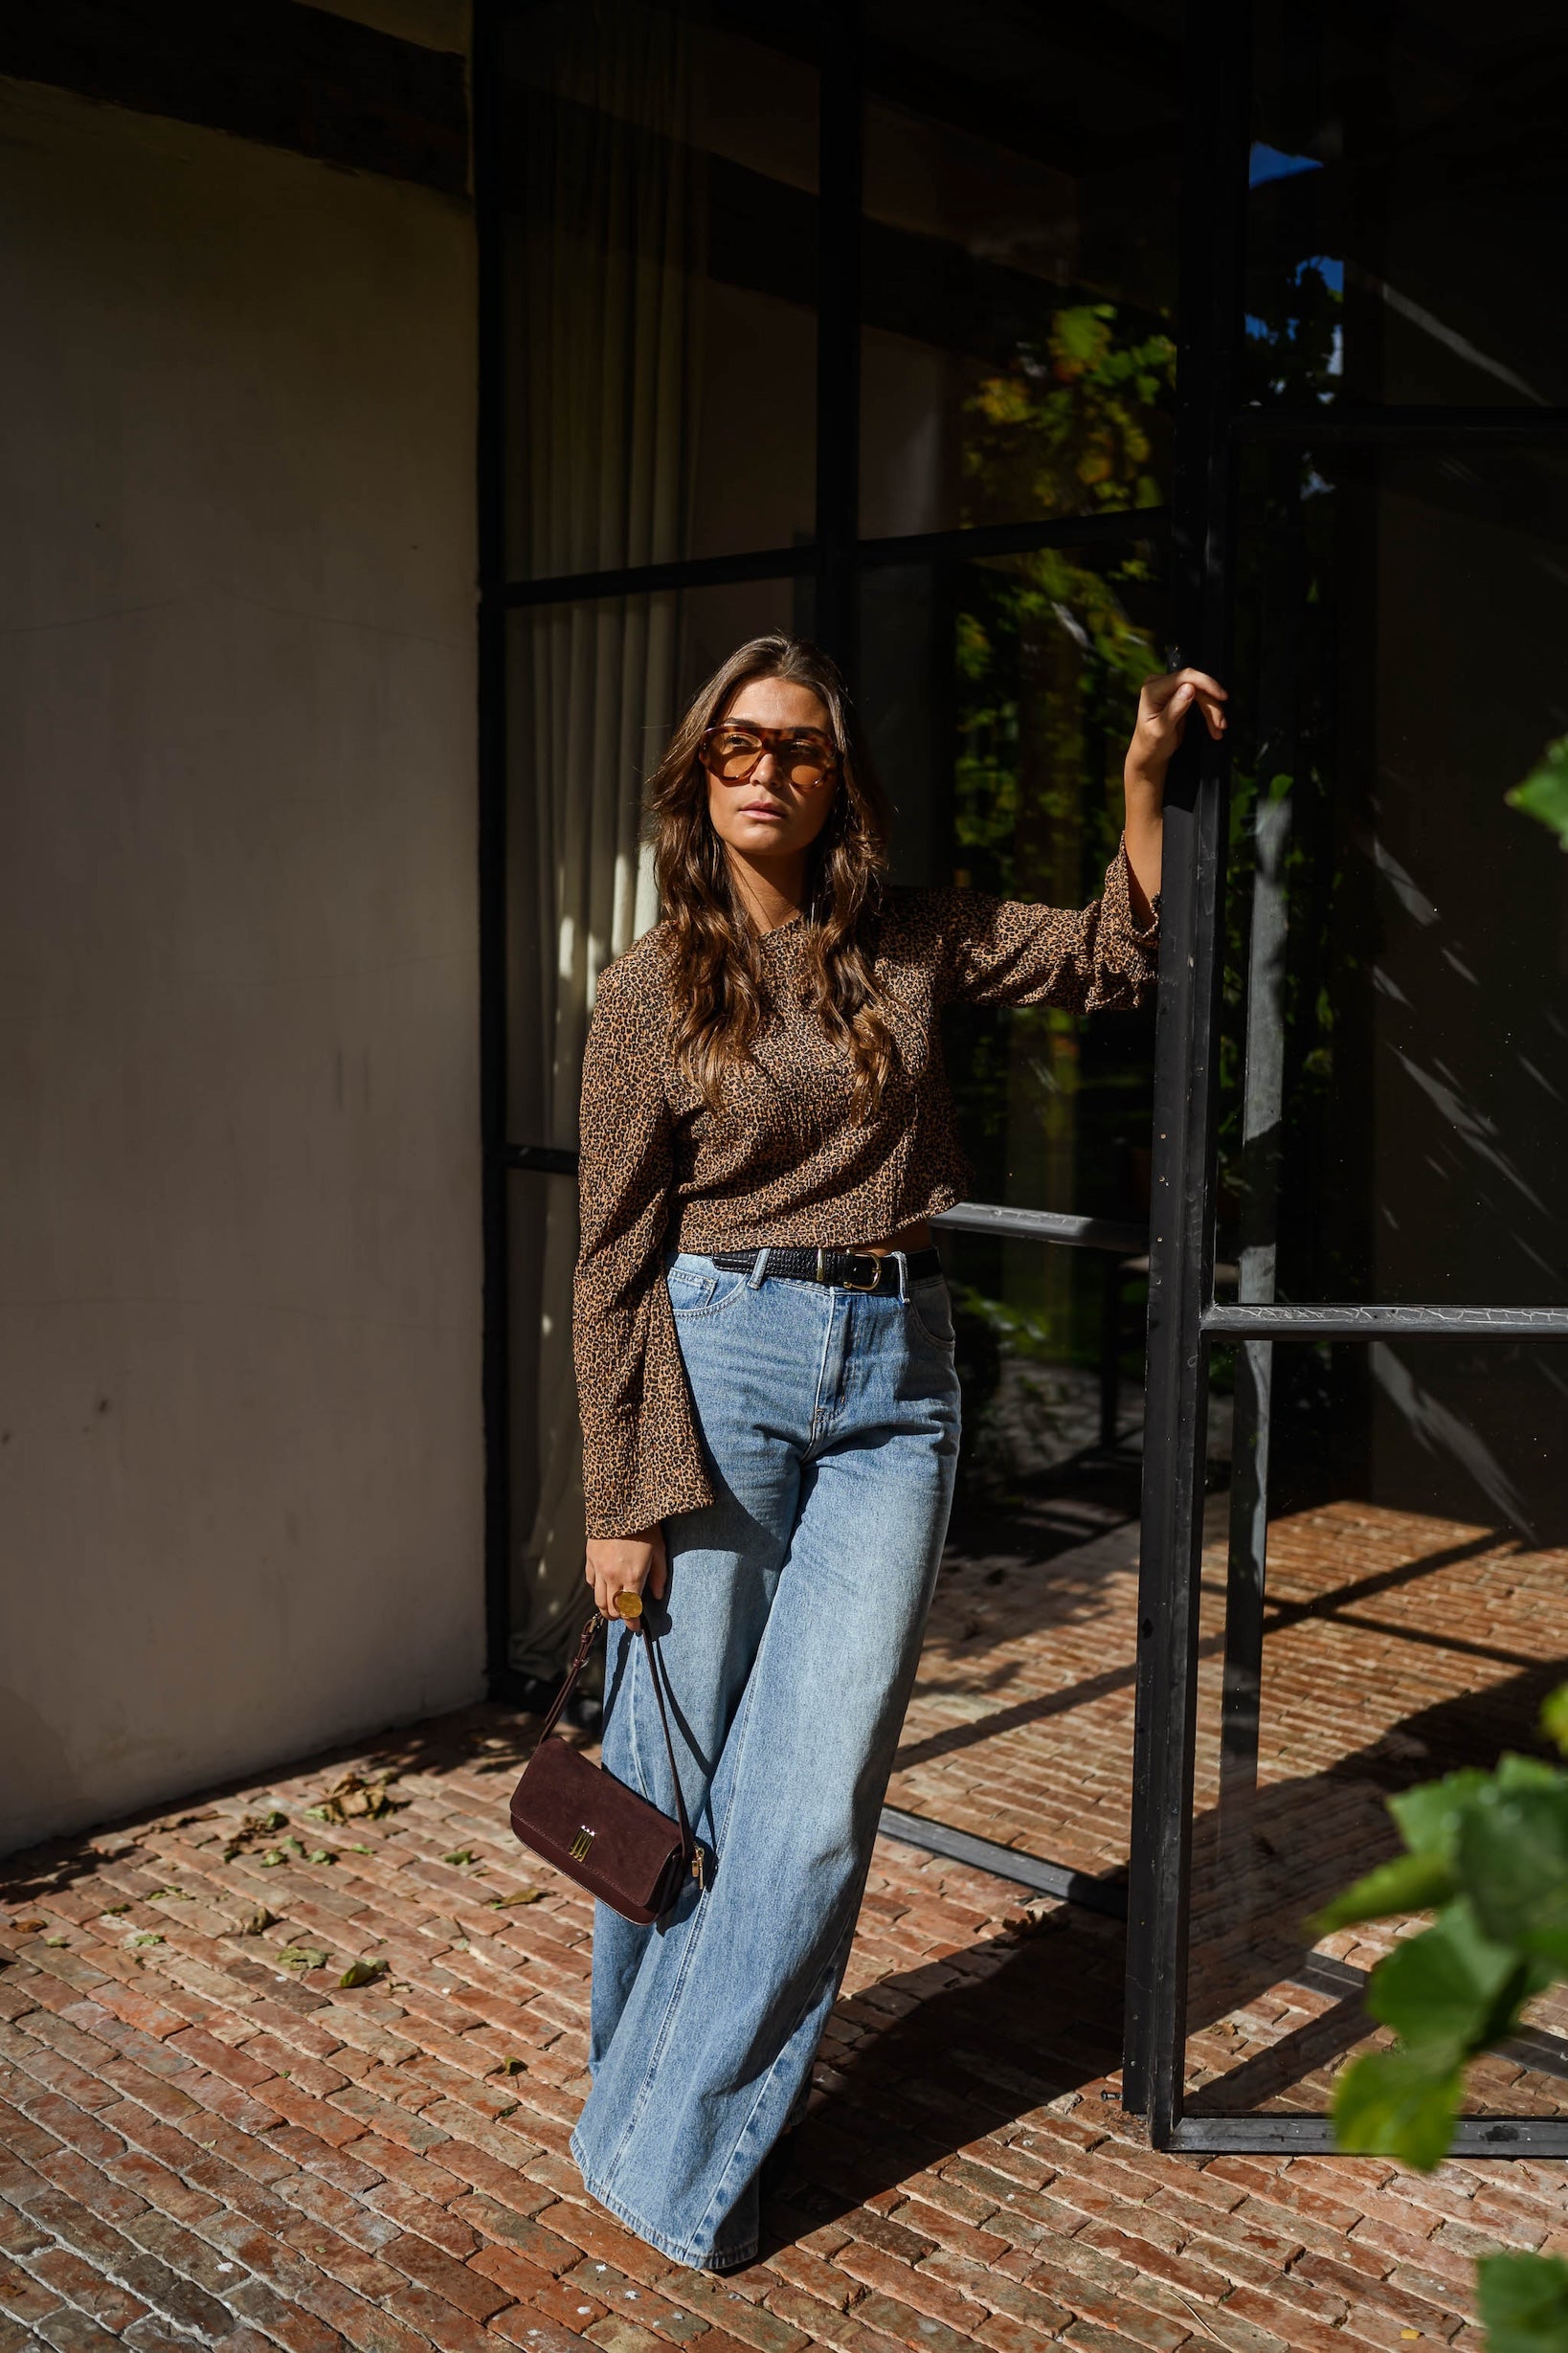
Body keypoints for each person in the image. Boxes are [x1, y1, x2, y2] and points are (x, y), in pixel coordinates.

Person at [568, 634, 1226, 2270]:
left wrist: (1142, 782)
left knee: (808, 1808)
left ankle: (665, 2151)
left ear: (836, 778)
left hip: (895, 1384)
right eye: (736, 746)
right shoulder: (653, 986)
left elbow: (1113, 958)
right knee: (674, 1765)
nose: (765, 771)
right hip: (717, 1364)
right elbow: (607, 1257)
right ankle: (632, 2113)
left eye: (796, 748)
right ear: (696, 777)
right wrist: (618, 1497)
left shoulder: (914, 936)